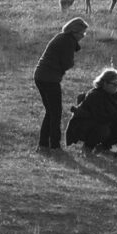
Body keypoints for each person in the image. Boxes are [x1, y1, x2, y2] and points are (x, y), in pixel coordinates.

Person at [33, 17, 89, 153]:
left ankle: (43, 145)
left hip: (41, 76)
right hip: (49, 79)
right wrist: (70, 63)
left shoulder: (63, 38)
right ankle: (55, 146)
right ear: (74, 31)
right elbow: (67, 63)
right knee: (55, 113)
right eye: (82, 33)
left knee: (51, 112)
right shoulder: (67, 41)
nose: (83, 36)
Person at [65, 67, 117, 158]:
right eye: (114, 84)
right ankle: (87, 148)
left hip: (104, 124)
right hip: (86, 125)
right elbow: (100, 118)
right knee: (103, 129)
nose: (116, 87)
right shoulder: (95, 95)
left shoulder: (116, 96)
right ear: (104, 83)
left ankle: (103, 148)